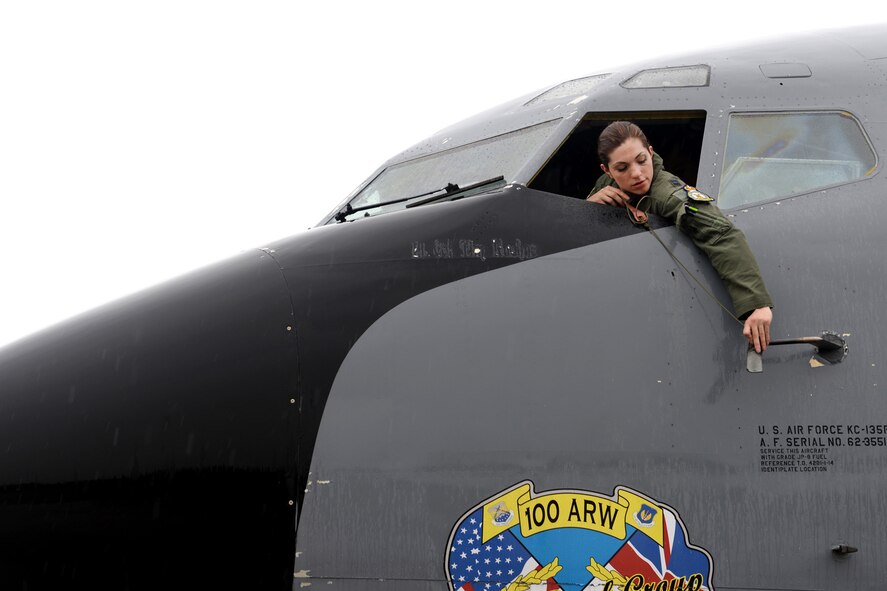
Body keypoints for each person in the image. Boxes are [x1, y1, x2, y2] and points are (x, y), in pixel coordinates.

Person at [587, 121, 773, 353]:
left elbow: (721, 235)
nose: (636, 174)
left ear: (651, 152)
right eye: (622, 168)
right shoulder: (606, 186)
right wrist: (588, 208)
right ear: (607, 171)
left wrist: (756, 304)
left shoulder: (669, 195)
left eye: (642, 160)